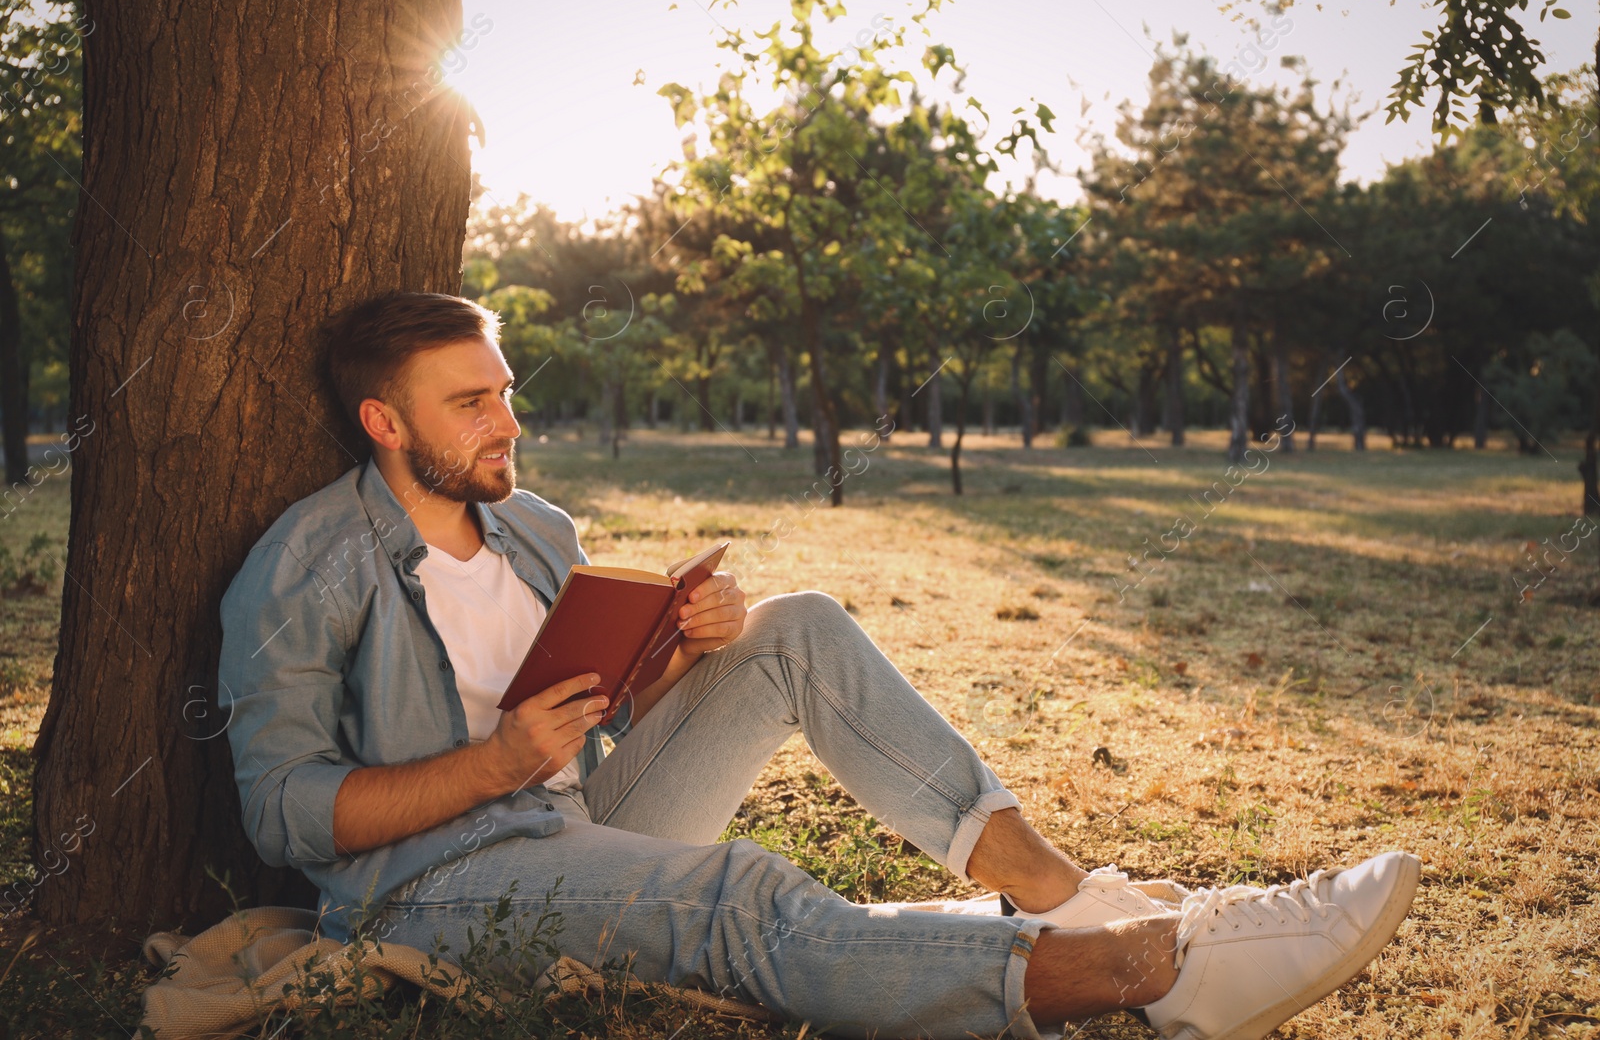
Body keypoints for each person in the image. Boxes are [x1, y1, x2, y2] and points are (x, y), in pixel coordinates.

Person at [220, 292, 1421, 1040]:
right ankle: (1158, 967)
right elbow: (284, 815)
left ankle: (1062, 889)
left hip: (572, 808)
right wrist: (491, 763)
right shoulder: (302, 570)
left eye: (507, 392)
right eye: (470, 402)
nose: (507, 422)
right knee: (736, 894)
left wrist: (671, 653)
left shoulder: (535, 526)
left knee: (793, 626)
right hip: (432, 882)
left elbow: (578, 716)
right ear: (386, 423)